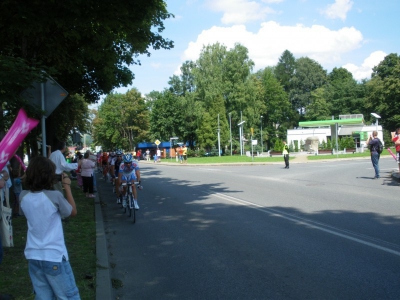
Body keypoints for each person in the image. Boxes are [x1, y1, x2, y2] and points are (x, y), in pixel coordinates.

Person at [20, 156, 80, 299]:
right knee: (69, 296)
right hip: (54, 256)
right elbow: (72, 212)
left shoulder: (22, 196)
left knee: (43, 296)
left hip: (33, 255)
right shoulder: (54, 196)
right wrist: (67, 187)